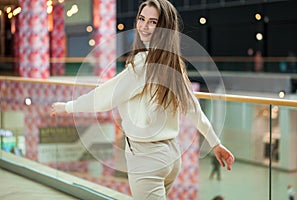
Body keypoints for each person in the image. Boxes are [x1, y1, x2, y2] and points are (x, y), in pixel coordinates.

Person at [50, 0, 235, 199]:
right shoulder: (173, 62)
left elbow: (103, 97)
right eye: (141, 19)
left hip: (148, 158)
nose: (144, 26)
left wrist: (68, 107)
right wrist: (215, 143)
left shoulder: (142, 65)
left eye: (153, 22)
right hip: (172, 156)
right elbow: (193, 108)